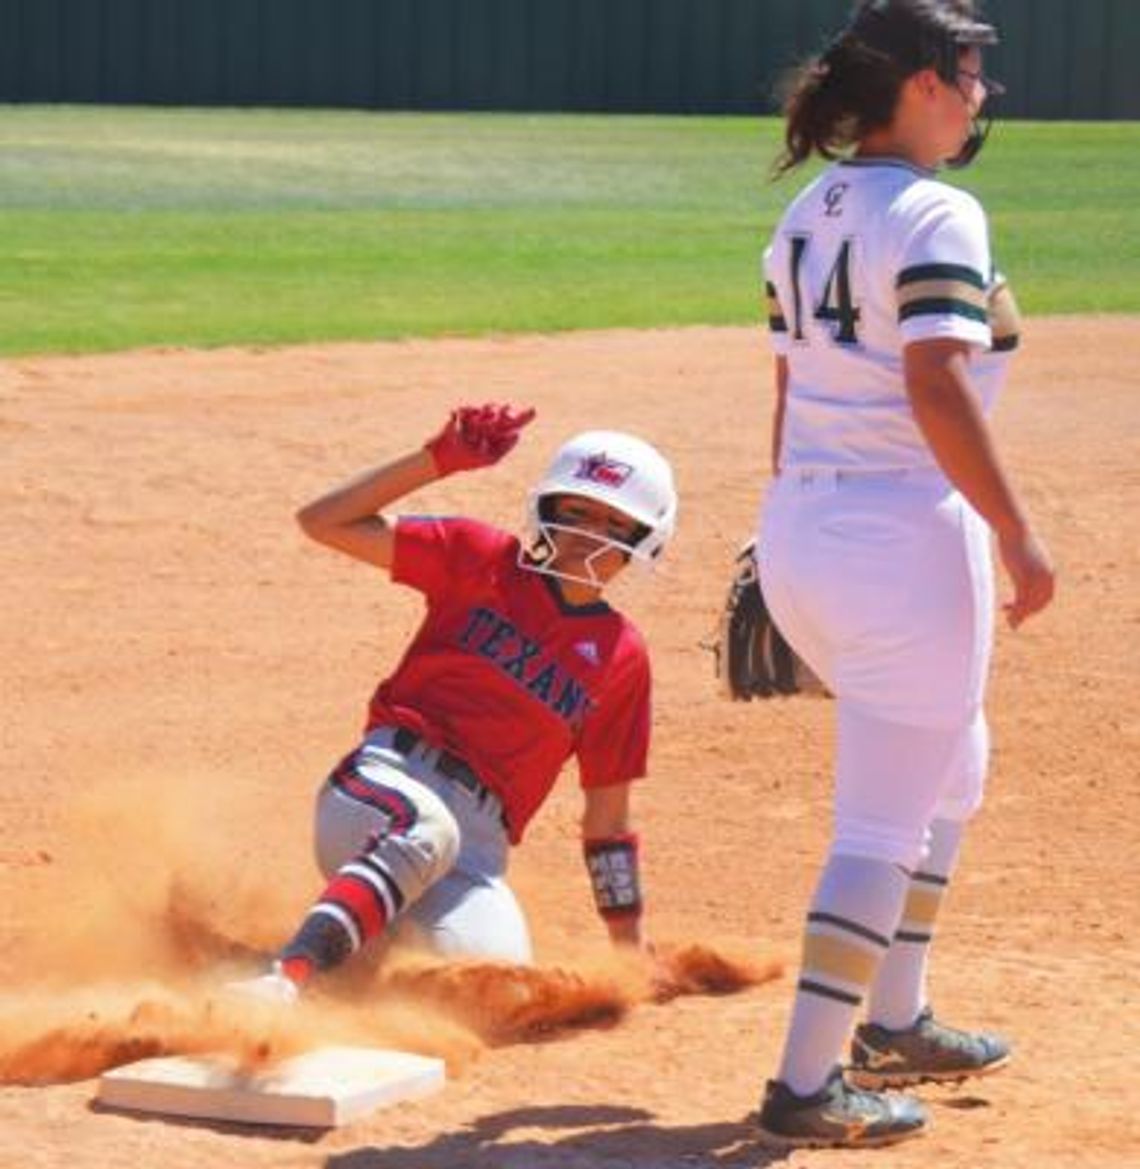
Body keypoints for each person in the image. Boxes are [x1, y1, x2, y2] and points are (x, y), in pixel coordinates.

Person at [751, 0, 1055, 1149]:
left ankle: (896, 1011)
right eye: (970, 72)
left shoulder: (810, 205)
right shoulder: (935, 208)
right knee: (881, 816)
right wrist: (1018, 533)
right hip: (901, 539)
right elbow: (934, 384)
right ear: (921, 83)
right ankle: (805, 1082)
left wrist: (784, 526)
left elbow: (792, 385)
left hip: (809, 526)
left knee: (952, 764)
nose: (982, 93)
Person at [230, 403, 677, 1004]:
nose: (585, 534)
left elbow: (608, 824)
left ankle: (364, 938)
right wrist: (436, 460)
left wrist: (629, 946)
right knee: (424, 829)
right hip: (384, 787)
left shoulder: (622, 658)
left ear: (643, 540)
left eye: (610, 521)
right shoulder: (479, 560)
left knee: (495, 991)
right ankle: (285, 977)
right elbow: (323, 522)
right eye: (574, 512)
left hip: (478, 850)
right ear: (544, 512)